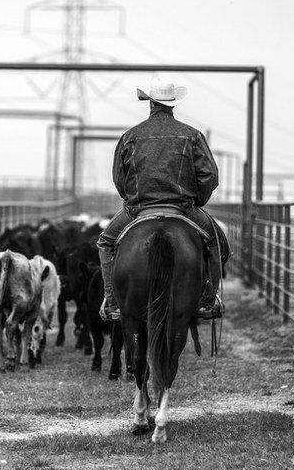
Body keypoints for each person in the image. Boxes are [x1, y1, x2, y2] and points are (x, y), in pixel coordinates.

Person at [97, 75, 228, 321]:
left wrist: (132, 201)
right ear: (173, 104)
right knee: (218, 243)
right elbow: (209, 176)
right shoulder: (192, 135)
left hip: (138, 210)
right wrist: (197, 200)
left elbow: (119, 178)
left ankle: (113, 301)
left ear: (150, 103)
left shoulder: (130, 136)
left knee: (105, 243)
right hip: (183, 209)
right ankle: (209, 299)